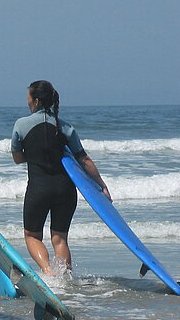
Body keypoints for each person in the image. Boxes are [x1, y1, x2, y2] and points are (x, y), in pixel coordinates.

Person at [11, 80, 110, 275]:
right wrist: (102, 185)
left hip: (38, 189)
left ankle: (48, 273)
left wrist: (34, 154)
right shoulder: (66, 128)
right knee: (60, 238)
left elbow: (17, 158)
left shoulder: (21, 125)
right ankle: (64, 280)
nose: (27, 101)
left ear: (37, 101)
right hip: (66, 190)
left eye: (29, 98)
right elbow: (83, 159)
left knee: (32, 236)